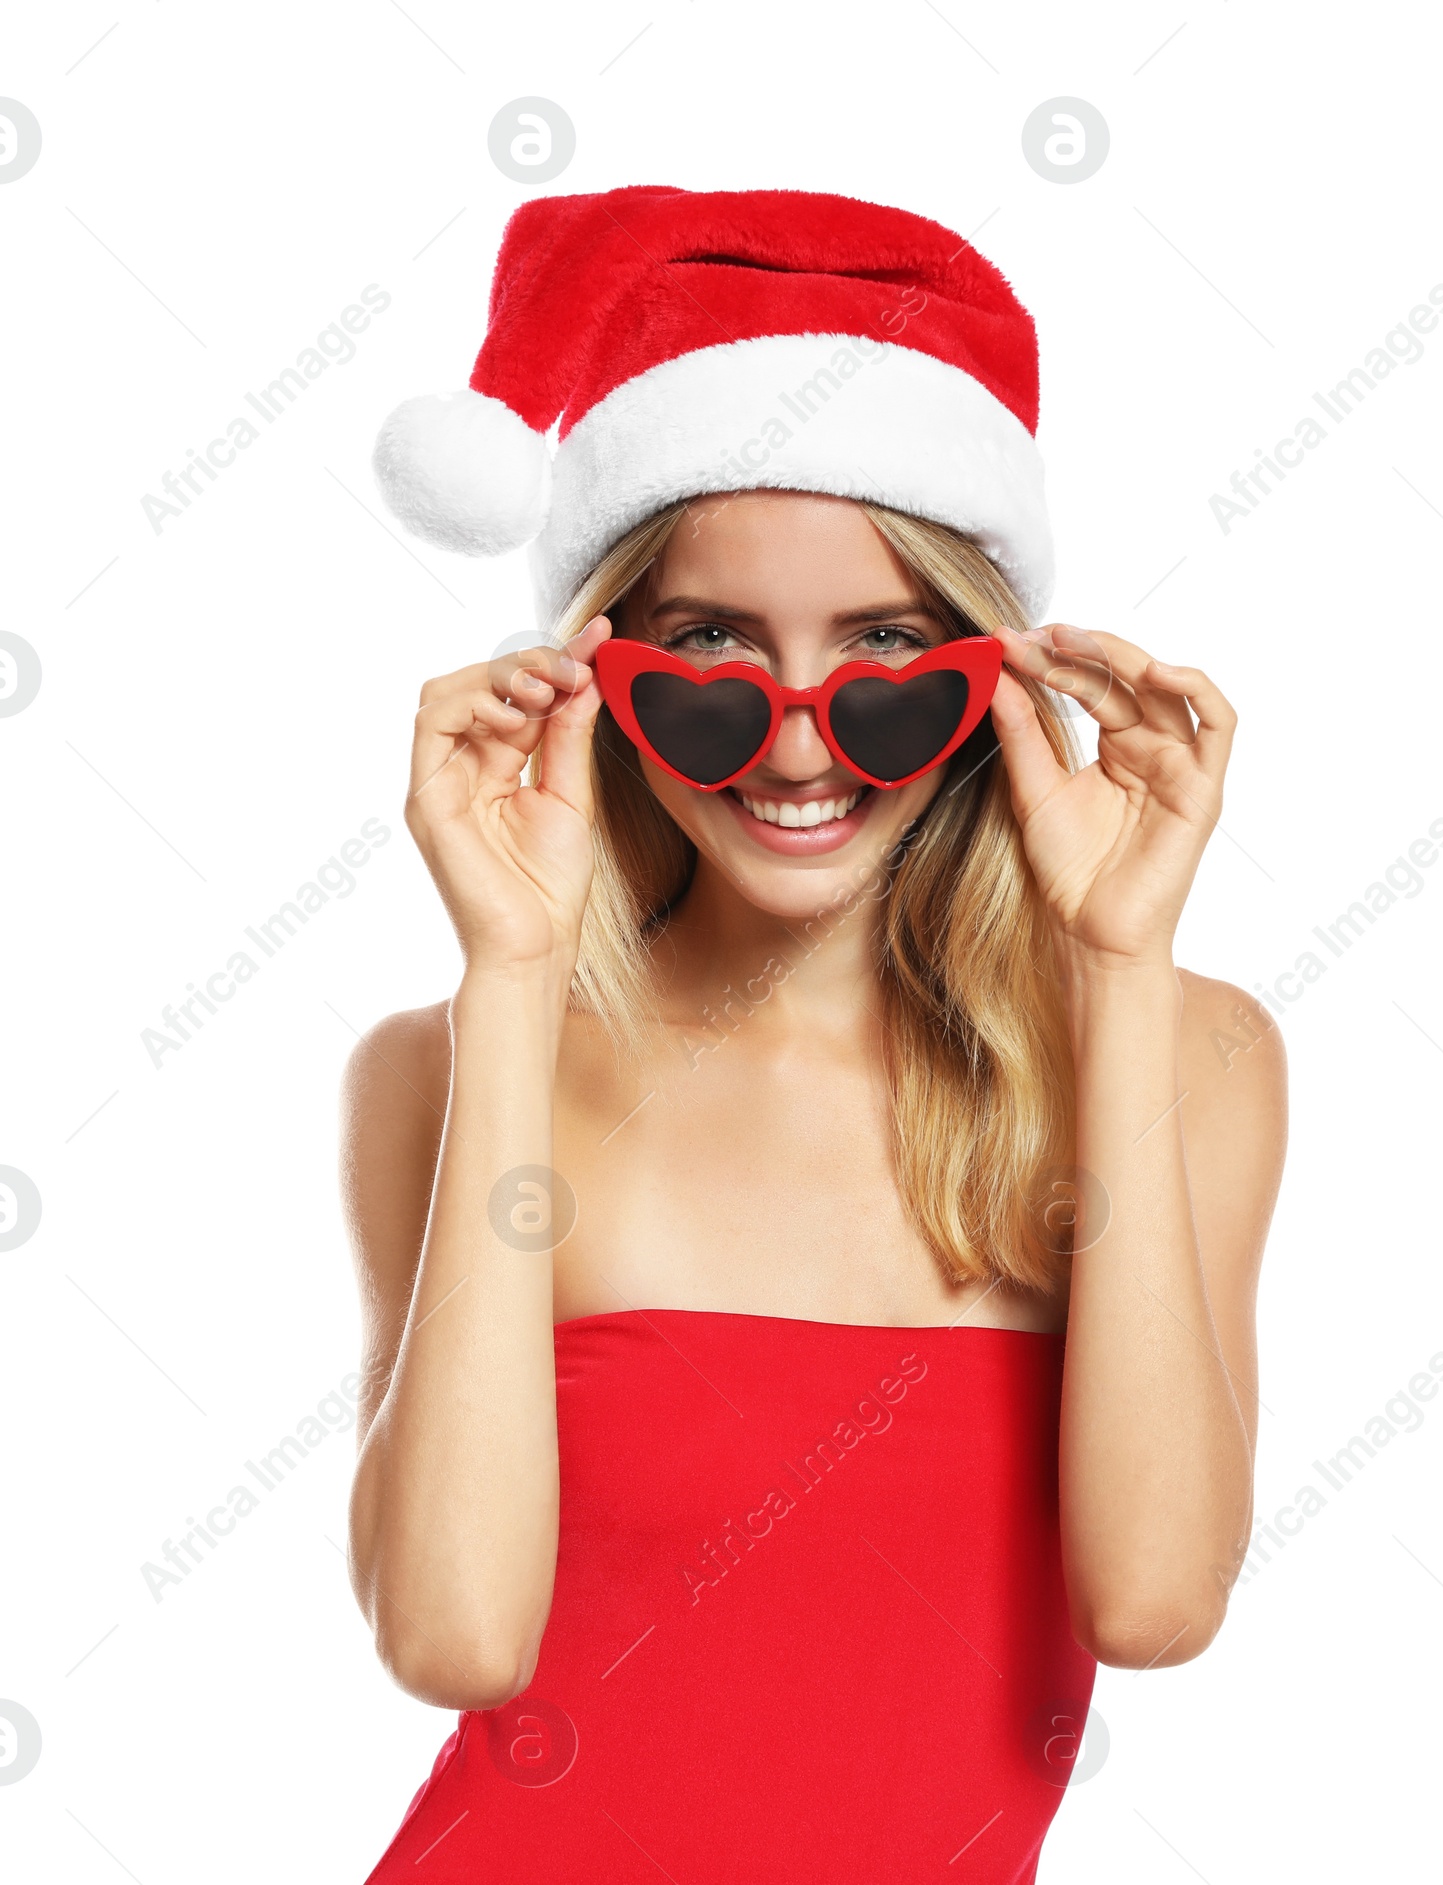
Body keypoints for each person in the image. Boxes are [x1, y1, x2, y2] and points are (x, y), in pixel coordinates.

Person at [344, 186, 1287, 1883]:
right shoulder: (444, 1066)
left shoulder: (1191, 1057)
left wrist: (1118, 965)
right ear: (595, 675)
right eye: (707, 650)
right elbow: (455, 1640)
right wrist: (508, 971)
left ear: (997, 677)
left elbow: (1154, 1595)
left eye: (887, 660)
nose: (797, 749)